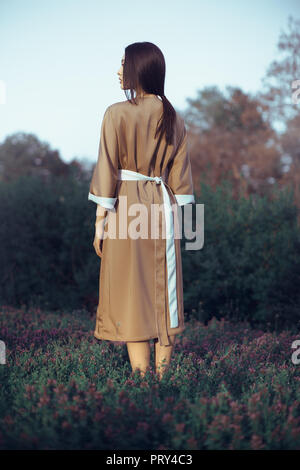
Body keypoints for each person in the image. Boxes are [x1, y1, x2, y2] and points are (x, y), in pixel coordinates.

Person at [88, 42, 195, 381]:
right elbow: (181, 179)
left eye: (123, 64)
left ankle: (141, 379)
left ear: (138, 69)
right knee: (165, 291)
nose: (119, 71)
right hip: (163, 206)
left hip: (125, 205)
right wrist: (184, 223)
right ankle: (163, 381)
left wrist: (99, 223)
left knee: (131, 290)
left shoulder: (116, 113)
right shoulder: (173, 117)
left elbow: (106, 167)